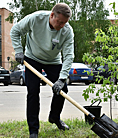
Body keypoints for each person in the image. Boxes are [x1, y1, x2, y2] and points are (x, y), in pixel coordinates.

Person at [10, 3, 74, 138]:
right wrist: (18, 51)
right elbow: (15, 30)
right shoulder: (35, 19)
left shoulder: (67, 30)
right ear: (52, 15)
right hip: (32, 58)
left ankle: (54, 118)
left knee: (62, 91)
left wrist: (62, 78)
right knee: (33, 93)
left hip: (53, 61)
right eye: (60, 22)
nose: (62, 25)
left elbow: (69, 56)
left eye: (65, 23)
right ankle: (33, 130)